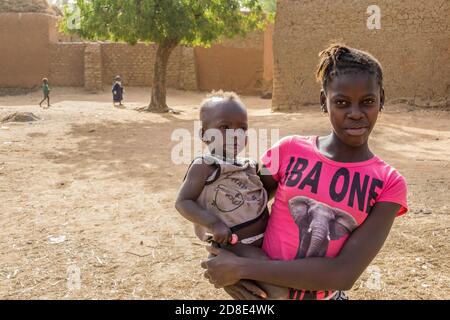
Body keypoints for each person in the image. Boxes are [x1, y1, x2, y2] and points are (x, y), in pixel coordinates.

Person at [201, 44, 409, 300]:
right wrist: (223, 262)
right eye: (341, 103)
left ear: (382, 100)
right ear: (324, 102)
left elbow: (344, 273)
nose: (355, 113)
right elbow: (228, 204)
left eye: (367, 102)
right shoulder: (287, 150)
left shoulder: (389, 183)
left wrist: (240, 268)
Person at [175, 91, 291, 299]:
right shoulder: (205, 165)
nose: (235, 135)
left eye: (242, 128)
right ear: (204, 134)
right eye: (224, 127)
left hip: (264, 239)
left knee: (282, 277)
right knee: (278, 289)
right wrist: (213, 223)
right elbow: (183, 202)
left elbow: (264, 190)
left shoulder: (249, 164)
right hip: (236, 244)